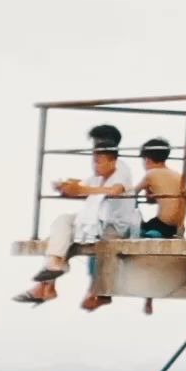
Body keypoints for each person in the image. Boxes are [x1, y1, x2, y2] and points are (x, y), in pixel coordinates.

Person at [19, 125, 132, 305]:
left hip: (112, 225)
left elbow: (114, 190)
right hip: (92, 222)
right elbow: (85, 189)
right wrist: (66, 188)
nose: (95, 161)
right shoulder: (99, 170)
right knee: (62, 225)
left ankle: (47, 285)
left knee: (63, 238)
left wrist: (81, 189)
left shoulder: (121, 169)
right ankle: (52, 272)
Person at [131, 137, 186, 238]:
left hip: (161, 226)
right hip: (178, 227)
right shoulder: (177, 175)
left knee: (135, 228)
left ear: (147, 159)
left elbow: (132, 193)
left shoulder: (151, 174)